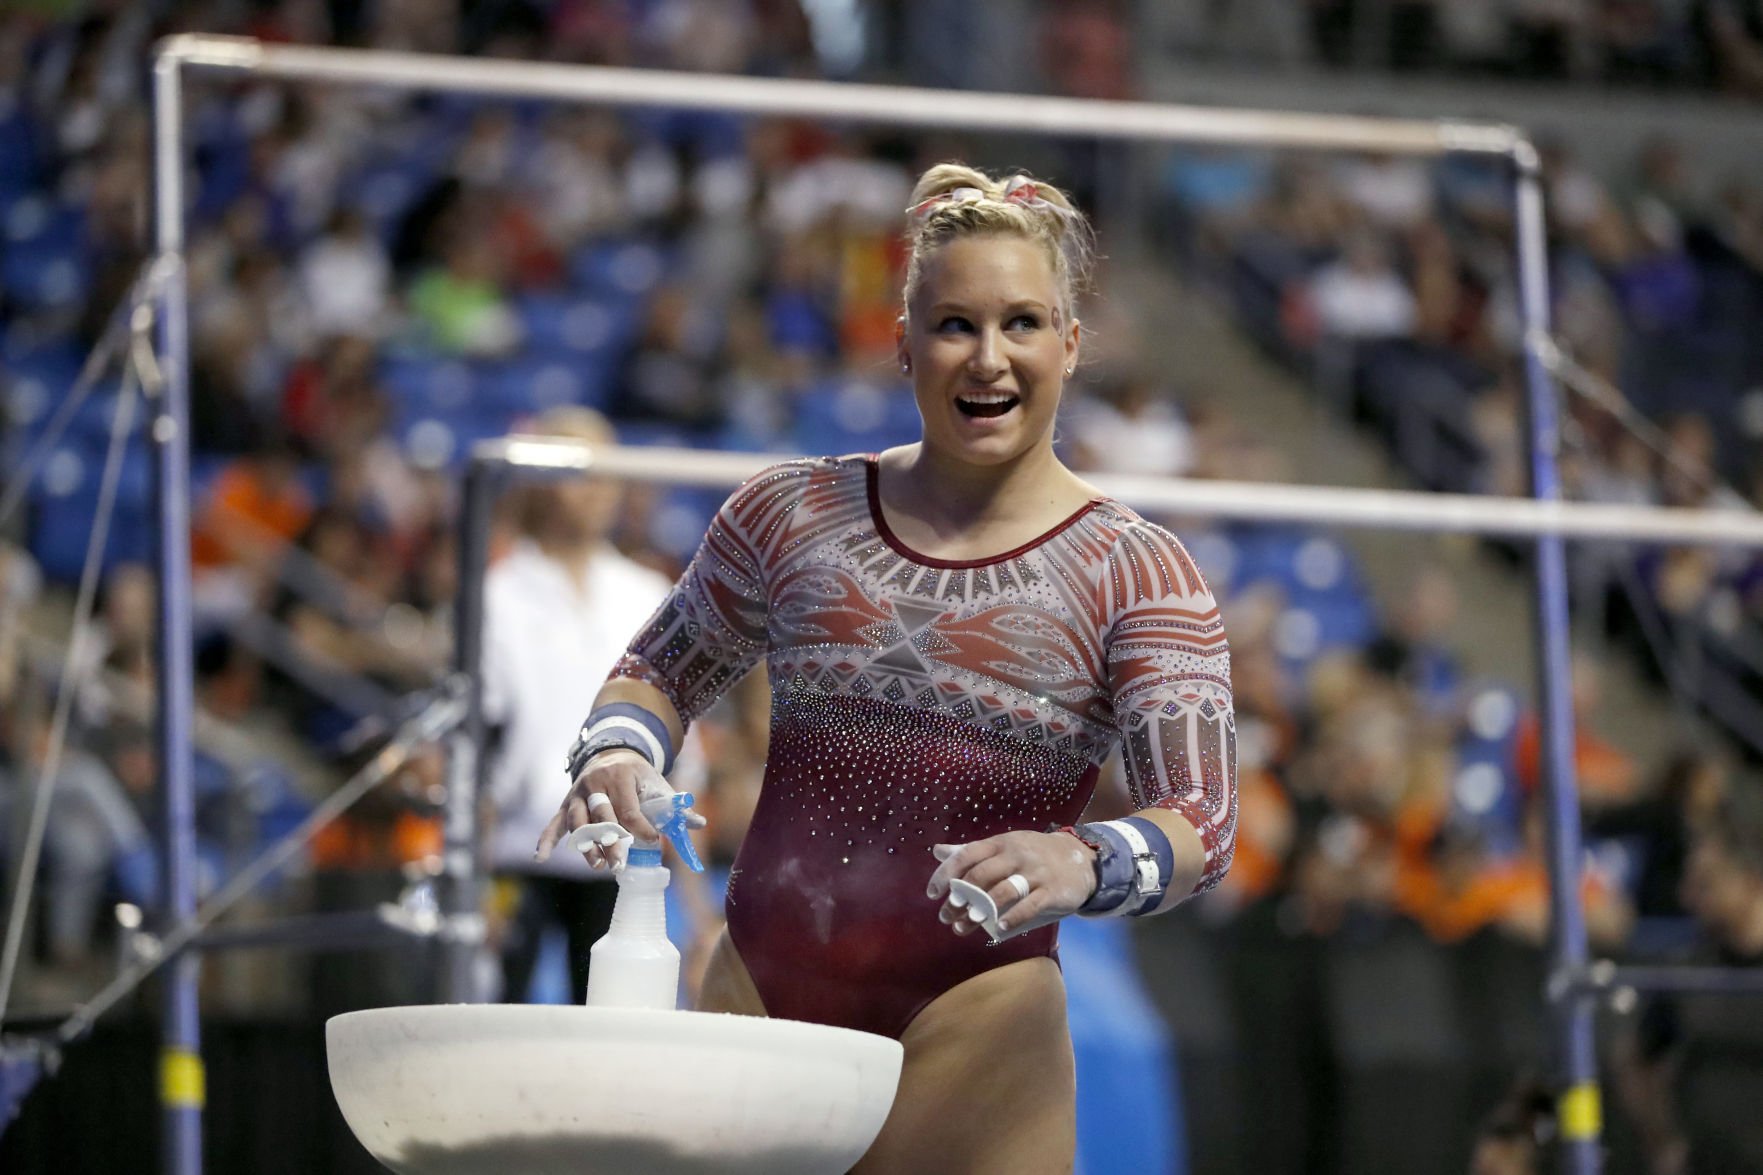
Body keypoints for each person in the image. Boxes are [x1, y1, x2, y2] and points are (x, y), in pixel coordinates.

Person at [537, 164, 1237, 1173]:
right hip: (758, 995)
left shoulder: (1137, 572)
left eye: (1022, 323)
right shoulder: (789, 513)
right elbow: (658, 668)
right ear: (902, 342)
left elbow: (1203, 824)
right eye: (953, 323)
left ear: (1071, 344)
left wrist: (1083, 858)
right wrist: (614, 748)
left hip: (974, 1025)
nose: (986, 357)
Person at [479, 406, 683, 1004]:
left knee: (608, 1025)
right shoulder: (500, 595)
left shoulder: (645, 595)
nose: (599, 491)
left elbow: (674, 725)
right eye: (581, 473)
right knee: (503, 1020)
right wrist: (472, 871)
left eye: (609, 473)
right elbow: (481, 735)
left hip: (618, 844)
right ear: (543, 483)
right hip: (520, 848)